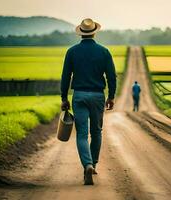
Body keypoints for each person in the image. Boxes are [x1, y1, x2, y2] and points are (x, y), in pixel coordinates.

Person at [60, 18, 116, 185]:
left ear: (81, 33)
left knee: (82, 134)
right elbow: (111, 76)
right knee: (97, 132)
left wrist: (64, 98)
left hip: (79, 96)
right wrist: (111, 96)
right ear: (94, 32)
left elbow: (65, 77)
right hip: (98, 96)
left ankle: (87, 164)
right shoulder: (104, 51)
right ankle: (94, 163)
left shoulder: (72, 51)